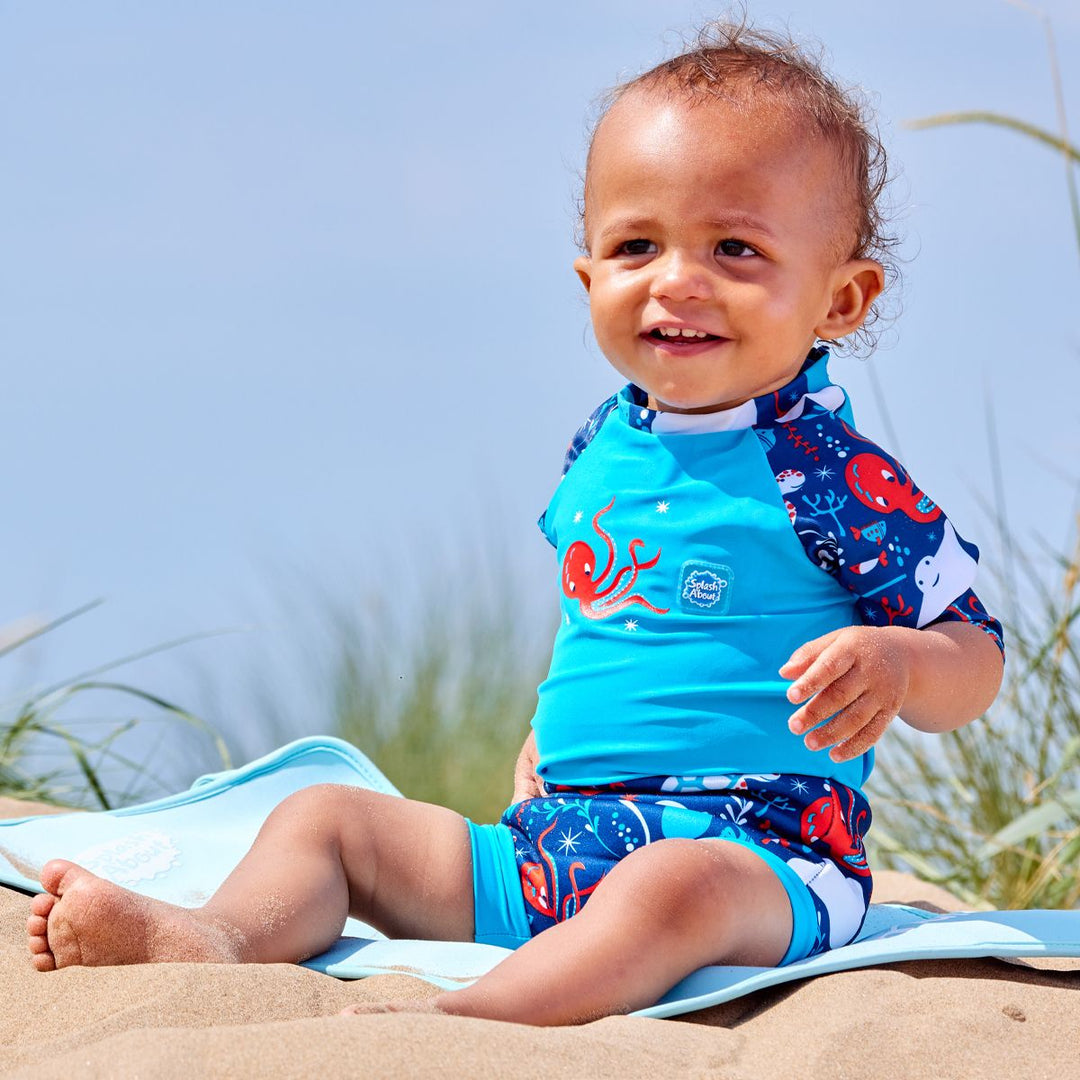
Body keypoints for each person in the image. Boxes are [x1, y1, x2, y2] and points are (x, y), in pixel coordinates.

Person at [26, 21, 1004, 1026]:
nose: (675, 279)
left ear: (842, 298)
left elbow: (976, 650)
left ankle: (467, 1029)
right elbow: (609, 617)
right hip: (553, 842)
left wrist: (898, 663)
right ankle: (215, 937)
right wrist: (549, 727)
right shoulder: (603, 449)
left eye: (735, 248)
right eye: (636, 246)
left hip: (758, 854)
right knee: (329, 822)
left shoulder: (834, 478)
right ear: (590, 280)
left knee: (672, 890)